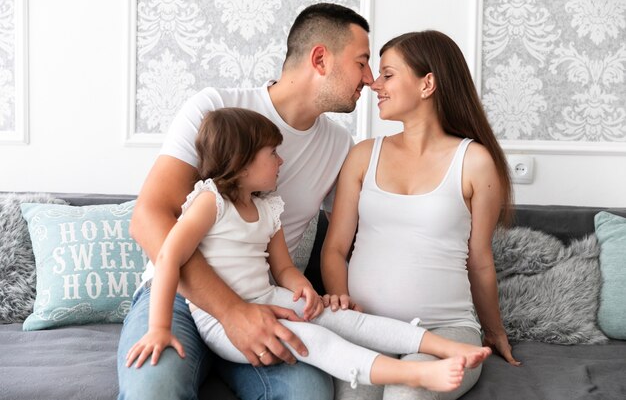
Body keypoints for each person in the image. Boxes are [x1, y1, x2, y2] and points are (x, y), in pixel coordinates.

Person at [125, 108, 492, 394]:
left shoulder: (269, 207)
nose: (281, 162)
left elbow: (283, 268)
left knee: (345, 320)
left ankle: (444, 345)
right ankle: (414, 373)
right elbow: (169, 255)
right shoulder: (210, 202)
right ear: (242, 161)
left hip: (266, 296)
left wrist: (304, 289)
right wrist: (158, 327)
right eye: (273, 154)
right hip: (217, 319)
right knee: (317, 341)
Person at [117, 3, 374, 400]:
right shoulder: (215, 108)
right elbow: (148, 219)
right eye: (362, 62)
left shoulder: (340, 147)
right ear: (320, 59)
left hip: (269, 302)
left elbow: (356, 235)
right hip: (181, 297)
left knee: (309, 394)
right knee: (154, 390)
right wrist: (230, 311)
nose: (370, 79)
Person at [321, 30, 521, 400]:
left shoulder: (474, 161)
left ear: (427, 83)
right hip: (369, 328)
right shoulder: (363, 155)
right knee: (355, 396)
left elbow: (480, 261)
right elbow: (335, 250)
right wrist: (344, 309)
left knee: (407, 394)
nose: (374, 84)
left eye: (388, 74)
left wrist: (494, 332)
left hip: (445, 330)